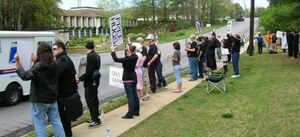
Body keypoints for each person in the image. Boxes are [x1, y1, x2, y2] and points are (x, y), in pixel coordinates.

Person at [14, 42, 65, 137]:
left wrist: (17, 62)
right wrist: (35, 62)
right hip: (52, 99)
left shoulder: (38, 66)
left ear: (40, 53)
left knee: (39, 125)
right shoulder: (54, 64)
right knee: (56, 121)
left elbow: (25, 76)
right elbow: (42, 69)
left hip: (39, 100)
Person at [52, 42, 79, 137]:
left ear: (61, 49)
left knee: (63, 117)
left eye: (55, 49)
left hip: (64, 95)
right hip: (65, 93)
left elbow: (55, 75)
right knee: (64, 117)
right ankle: (66, 133)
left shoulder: (62, 60)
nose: (53, 51)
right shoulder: (63, 59)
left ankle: (66, 134)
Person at [111, 45, 139, 119]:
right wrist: (127, 48)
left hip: (127, 78)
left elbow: (115, 59)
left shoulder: (127, 59)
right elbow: (127, 56)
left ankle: (130, 113)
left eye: (127, 49)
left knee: (130, 97)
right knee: (135, 95)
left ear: (129, 50)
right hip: (133, 77)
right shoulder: (135, 56)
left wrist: (113, 51)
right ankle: (136, 111)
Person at [78, 40, 101, 128]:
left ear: (86, 47)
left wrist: (80, 79)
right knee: (94, 99)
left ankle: (95, 120)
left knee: (90, 100)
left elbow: (88, 72)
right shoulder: (97, 55)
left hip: (90, 81)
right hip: (96, 79)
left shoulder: (90, 56)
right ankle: (95, 117)